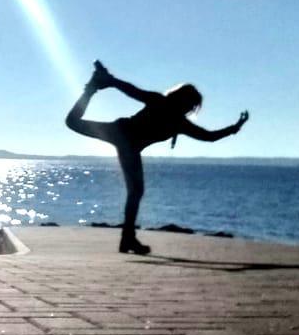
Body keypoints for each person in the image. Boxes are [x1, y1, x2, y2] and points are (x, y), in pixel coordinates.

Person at [65, 60, 249, 255]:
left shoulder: (179, 122)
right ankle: (128, 239)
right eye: (191, 104)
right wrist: (111, 81)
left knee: (135, 191)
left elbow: (208, 137)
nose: (190, 108)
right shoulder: (162, 104)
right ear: (183, 100)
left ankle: (128, 239)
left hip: (126, 141)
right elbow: (131, 90)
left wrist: (234, 128)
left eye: (192, 106)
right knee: (135, 191)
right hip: (123, 134)